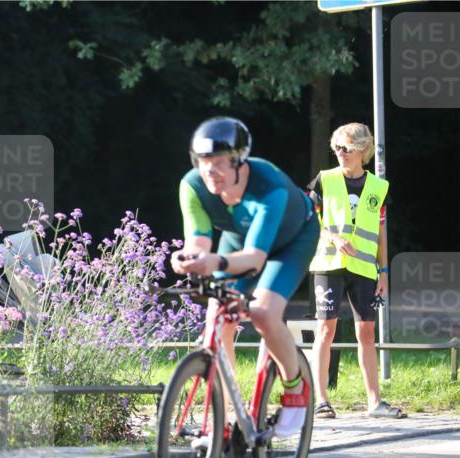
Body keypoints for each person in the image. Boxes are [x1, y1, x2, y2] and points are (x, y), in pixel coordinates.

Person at [171, 117, 320, 438]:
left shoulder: (270, 187)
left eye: (220, 163)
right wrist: (187, 259)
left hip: (291, 242)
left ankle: (296, 388)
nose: (210, 171)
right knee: (217, 318)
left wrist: (215, 261)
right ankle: (224, 417)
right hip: (239, 239)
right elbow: (198, 244)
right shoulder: (192, 186)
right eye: (203, 162)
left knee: (263, 312)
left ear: (240, 162)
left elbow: (255, 259)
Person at [308, 122, 404, 419]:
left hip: (364, 268)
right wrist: (334, 237)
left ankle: (375, 403)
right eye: (336, 147)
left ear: (363, 150)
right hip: (328, 264)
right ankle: (320, 400)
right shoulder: (324, 180)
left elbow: (381, 230)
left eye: (346, 148)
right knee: (326, 329)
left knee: (367, 331)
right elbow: (307, 218)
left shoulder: (379, 187)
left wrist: (384, 271)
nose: (340, 152)